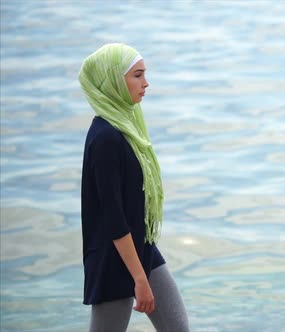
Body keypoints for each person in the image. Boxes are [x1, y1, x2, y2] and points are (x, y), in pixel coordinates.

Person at [79, 43, 190, 332]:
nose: (146, 83)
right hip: (114, 258)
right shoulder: (105, 138)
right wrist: (139, 279)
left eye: (145, 75)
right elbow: (113, 218)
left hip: (143, 249)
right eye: (138, 75)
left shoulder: (127, 128)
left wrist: (143, 271)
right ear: (115, 81)